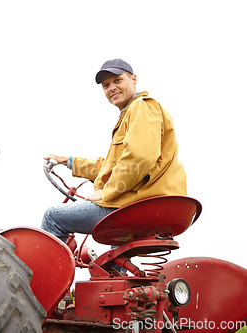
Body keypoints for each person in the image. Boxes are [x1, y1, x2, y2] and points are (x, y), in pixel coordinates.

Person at [42, 59, 187, 242]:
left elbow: (139, 159)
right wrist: (69, 162)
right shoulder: (131, 114)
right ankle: (118, 270)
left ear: (133, 79)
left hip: (137, 204)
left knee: (53, 217)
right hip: (144, 203)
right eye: (106, 85)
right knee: (109, 262)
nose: (112, 88)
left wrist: (107, 192)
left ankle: (48, 271)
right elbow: (113, 167)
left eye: (118, 80)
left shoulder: (141, 106)